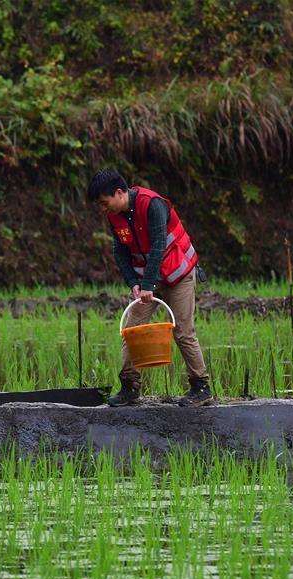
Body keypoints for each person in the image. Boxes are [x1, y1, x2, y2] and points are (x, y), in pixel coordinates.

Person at [88, 169, 212, 407]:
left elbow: (157, 246)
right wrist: (133, 283)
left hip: (178, 275)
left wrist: (148, 285)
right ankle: (129, 386)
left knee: (183, 332)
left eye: (105, 203)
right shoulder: (115, 216)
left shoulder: (152, 205)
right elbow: (120, 251)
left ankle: (201, 387)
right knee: (132, 329)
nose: (104, 209)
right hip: (149, 279)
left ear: (119, 193)